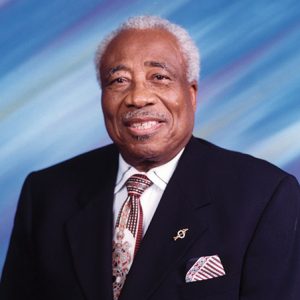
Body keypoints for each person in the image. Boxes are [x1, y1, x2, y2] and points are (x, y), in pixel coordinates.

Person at [0, 15, 299, 300]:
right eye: (118, 80)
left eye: (159, 77)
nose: (138, 97)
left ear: (192, 94)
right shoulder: (46, 194)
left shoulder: (264, 195)